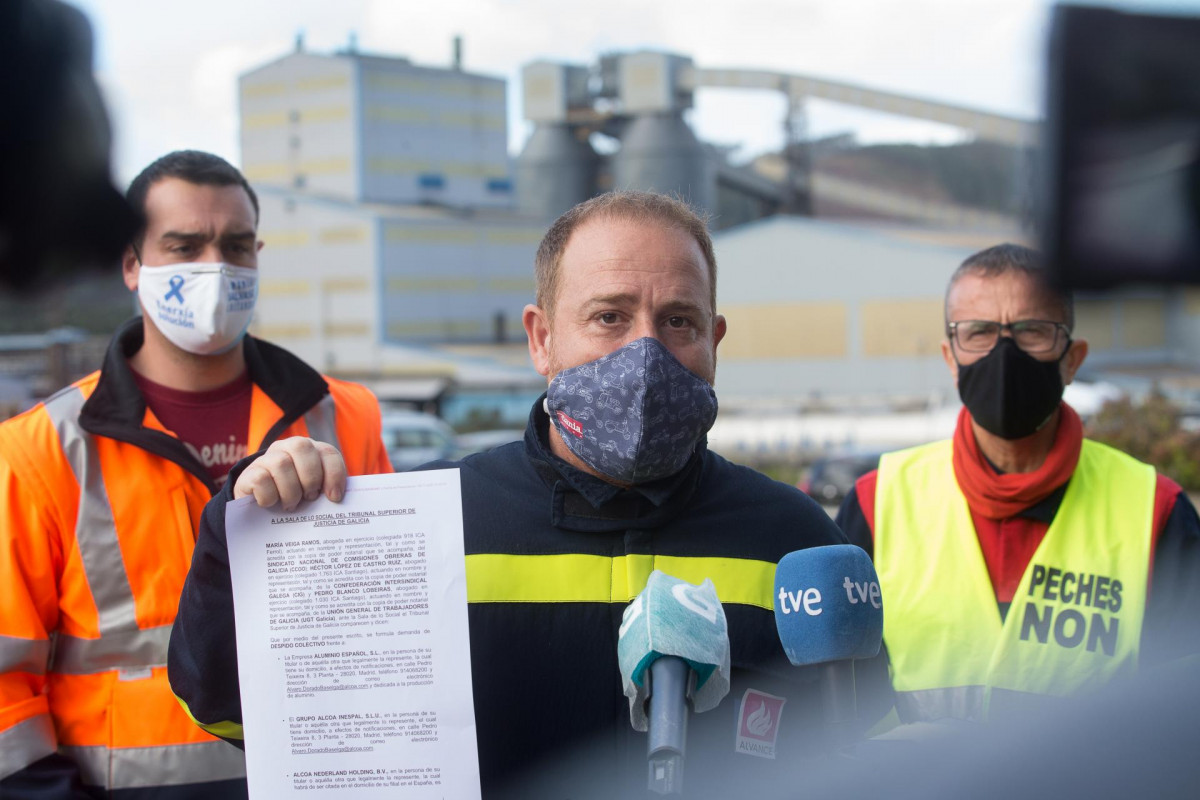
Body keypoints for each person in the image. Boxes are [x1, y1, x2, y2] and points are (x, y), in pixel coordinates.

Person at [168, 191, 859, 798]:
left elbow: (858, 750)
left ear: (715, 339)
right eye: (609, 317)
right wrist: (241, 538)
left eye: (678, 321)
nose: (646, 354)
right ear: (541, 338)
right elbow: (234, 714)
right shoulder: (425, 526)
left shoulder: (797, 542)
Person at [0, 151, 392, 798]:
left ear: (257, 257)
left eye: (236, 247)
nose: (216, 268)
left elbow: (386, 620)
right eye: (184, 247)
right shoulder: (39, 449)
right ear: (132, 265)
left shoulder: (345, 416)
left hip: (320, 779)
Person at [836, 243, 1200, 725]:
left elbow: (1183, 724)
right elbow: (839, 708)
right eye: (979, 332)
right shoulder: (875, 504)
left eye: (1032, 331)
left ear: (1072, 359)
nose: (1004, 353)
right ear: (950, 357)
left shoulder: (1158, 513)